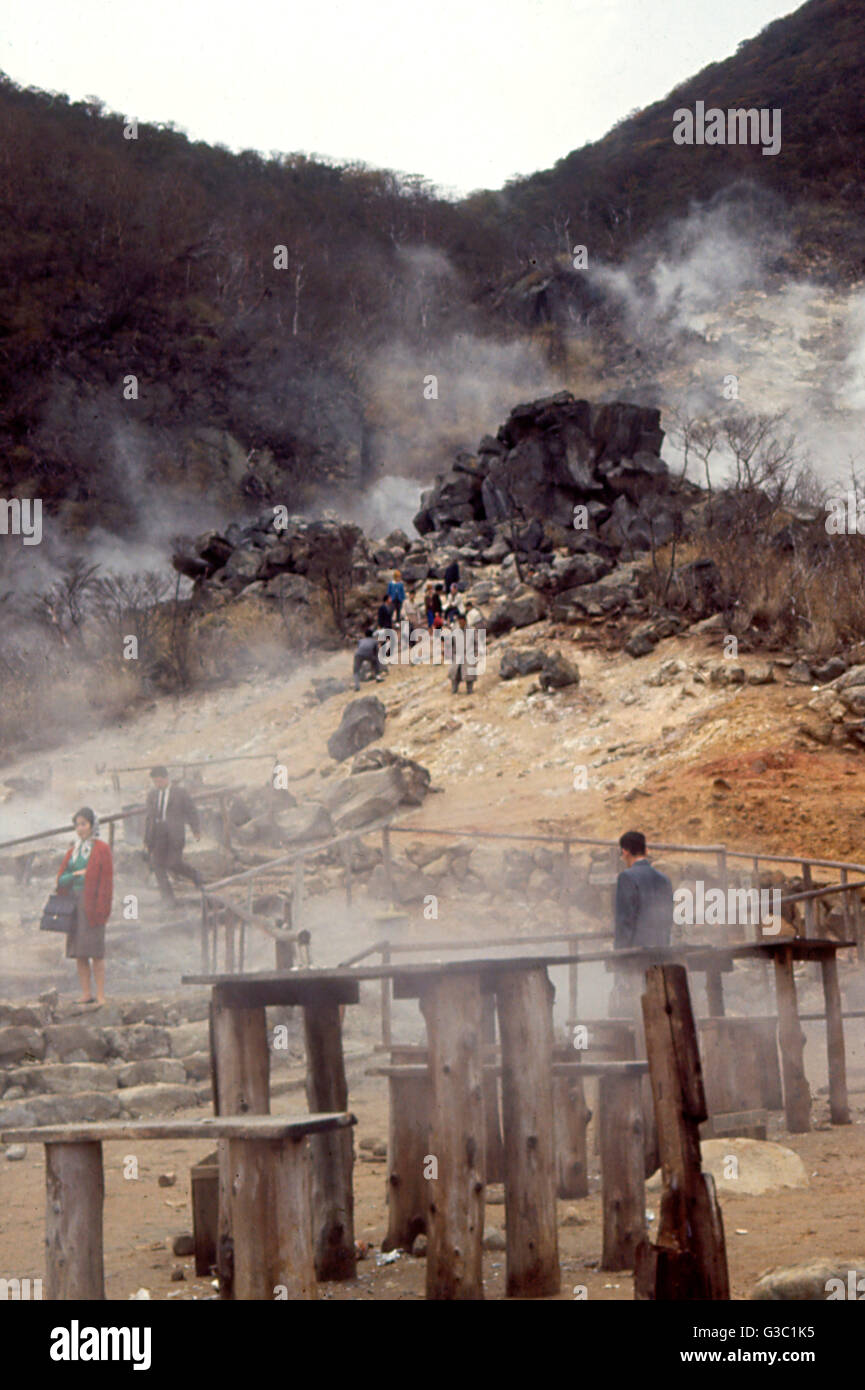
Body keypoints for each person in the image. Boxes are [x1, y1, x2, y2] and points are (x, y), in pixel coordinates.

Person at [56, 807, 113, 1005]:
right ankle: (86, 993)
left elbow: (106, 882)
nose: (80, 829)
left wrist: (103, 908)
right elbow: (61, 879)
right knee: (79, 952)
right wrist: (74, 875)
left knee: (96, 952)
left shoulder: (101, 849)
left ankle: (101, 995)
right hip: (74, 904)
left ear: (92, 825)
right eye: (77, 825)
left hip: (93, 905)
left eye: (84, 824)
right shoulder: (73, 851)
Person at [144, 766, 203, 907]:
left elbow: (191, 811)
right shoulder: (152, 795)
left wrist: (196, 829)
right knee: (157, 866)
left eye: (159, 781)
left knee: (173, 863)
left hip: (175, 833)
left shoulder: (180, 793)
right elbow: (149, 818)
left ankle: (195, 875)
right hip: (158, 833)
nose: (157, 785)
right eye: (155, 782)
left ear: (166, 778)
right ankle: (168, 900)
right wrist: (146, 839)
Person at [614, 831, 674, 949]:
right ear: (646, 851)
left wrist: (619, 953)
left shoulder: (626, 877)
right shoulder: (664, 879)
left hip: (637, 951)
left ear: (625, 852)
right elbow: (668, 916)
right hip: (661, 949)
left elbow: (625, 920)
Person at [449, 613, 479, 695]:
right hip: (457, 654)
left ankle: (470, 690)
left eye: (462, 621)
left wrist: (476, 655)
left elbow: (477, 643)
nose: (460, 623)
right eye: (459, 622)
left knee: (469, 674)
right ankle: (454, 689)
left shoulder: (472, 630)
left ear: (465, 621)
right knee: (454, 673)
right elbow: (451, 643)